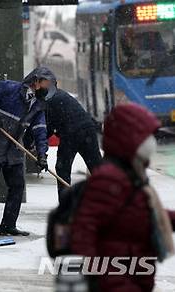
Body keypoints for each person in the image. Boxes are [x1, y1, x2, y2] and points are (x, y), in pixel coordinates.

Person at [71, 103, 175, 292]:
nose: (152, 142)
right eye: (146, 137)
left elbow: (144, 213)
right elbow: (83, 232)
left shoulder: (132, 174)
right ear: (130, 140)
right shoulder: (109, 179)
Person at [0, 67, 54, 236]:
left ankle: (8, 225)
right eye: (46, 84)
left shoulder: (37, 106)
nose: (48, 88)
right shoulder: (9, 88)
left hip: (13, 151)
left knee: (17, 186)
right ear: (36, 81)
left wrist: (42, 155)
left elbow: (40, 131)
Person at [45, 88, 102, 199]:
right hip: (87, 129)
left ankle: (66, 205)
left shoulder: (48, 100)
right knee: (96, 167)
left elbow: (48, 127)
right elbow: (81, 114)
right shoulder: (62, 95)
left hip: (70, 133)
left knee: (62, 169)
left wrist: (32, 144)